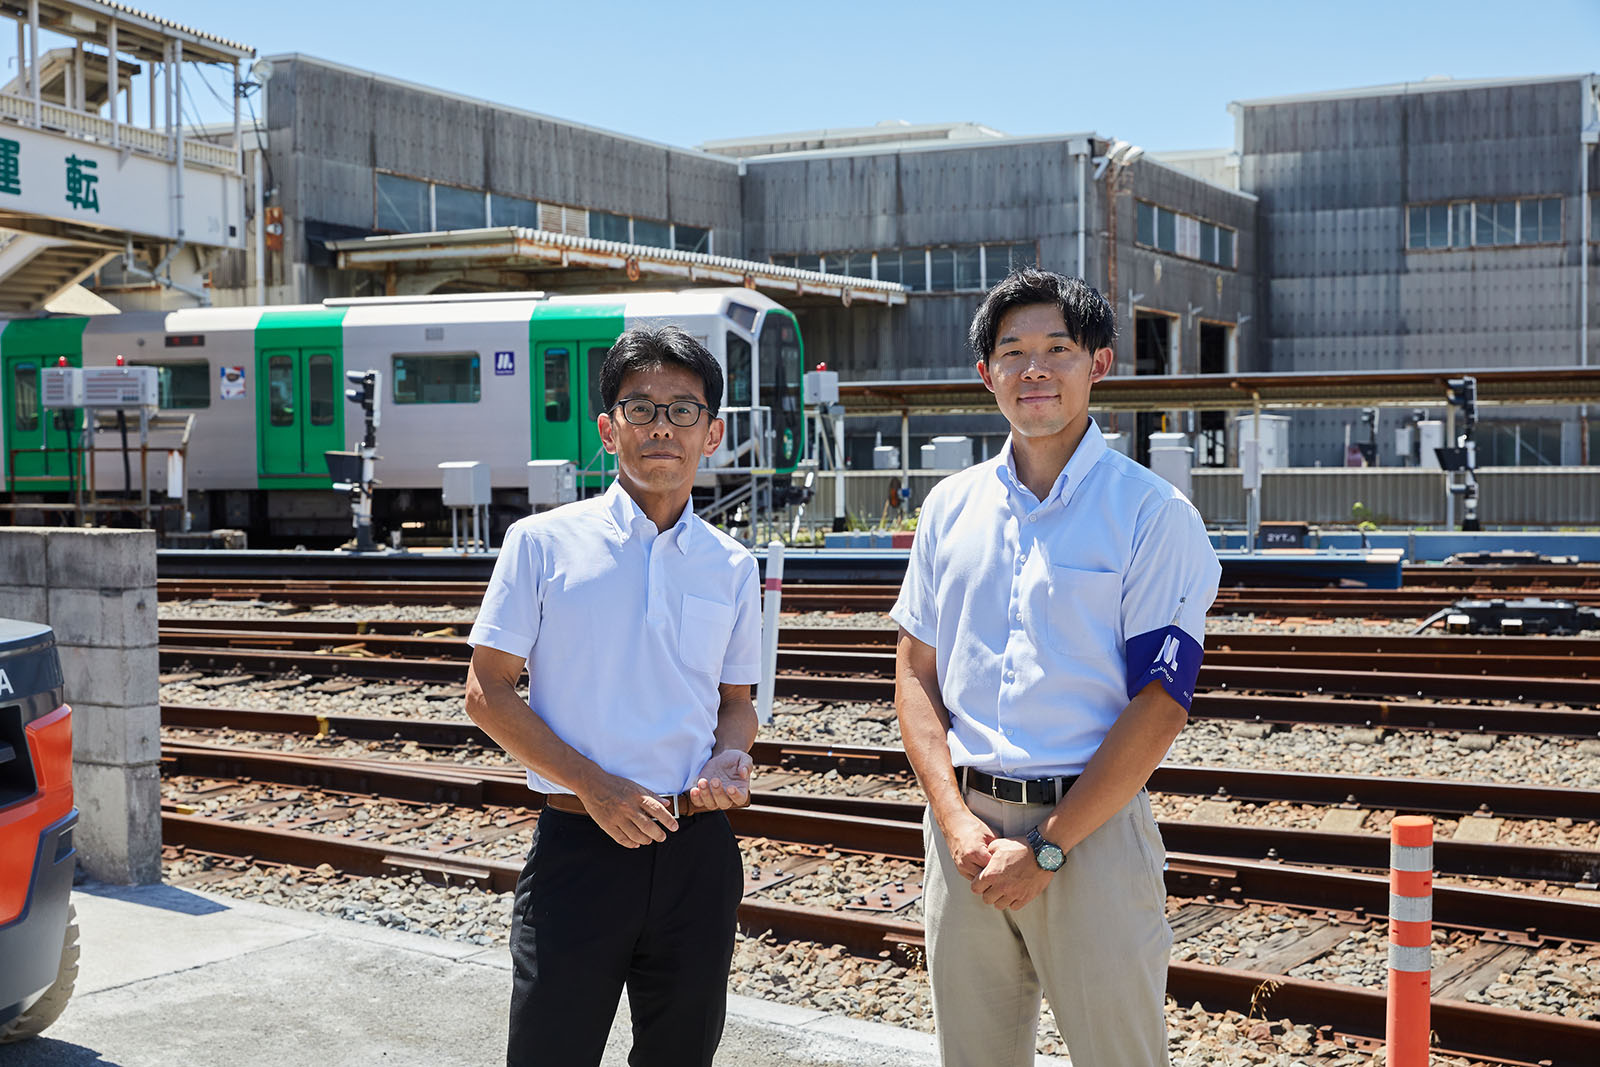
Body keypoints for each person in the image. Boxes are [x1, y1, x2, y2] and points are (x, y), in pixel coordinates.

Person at [891, 269, 1221, 1066]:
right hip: (964, 836)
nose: (1033, 369)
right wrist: (954, 816)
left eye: (1056, 349)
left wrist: (1048, 847)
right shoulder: (950, 507)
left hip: (1091, 832)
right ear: (986, 373)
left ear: (1098, 364)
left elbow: (1161, 703)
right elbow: (915, 674)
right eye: (1012, 352)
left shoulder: (1149, 513)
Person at [465, 325, 761, 1067]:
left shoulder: (730, 565)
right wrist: (595, 788)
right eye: (641, 406)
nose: (662, 424)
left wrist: (731, 754)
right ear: (608, 427)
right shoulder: (542, 542)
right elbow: (486, 691)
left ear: (713, 432)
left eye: (684, 409)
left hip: (697, 852)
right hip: (579, 847)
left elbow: (736, 700)